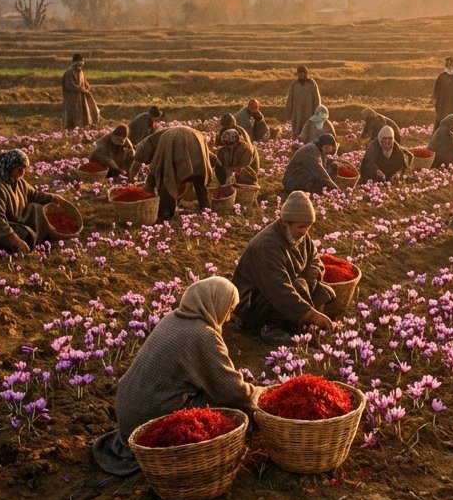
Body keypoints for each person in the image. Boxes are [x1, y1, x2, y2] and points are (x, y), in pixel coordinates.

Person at [91, 276, 262, 476]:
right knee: (223, 401)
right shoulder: (202, 335)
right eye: (229, 309)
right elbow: (231, 391)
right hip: (147, 422)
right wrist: (259, 394)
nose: (229, 317)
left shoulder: (172, 318)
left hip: (127, 414)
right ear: (215, 303)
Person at [232, 191, 336, 341]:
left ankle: (297, 318)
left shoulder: (300, 236)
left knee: (322, 290)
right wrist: (311, 314)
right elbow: (278, 288)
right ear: (285, 223)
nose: (305, 232)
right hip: (255, 301)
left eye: (308, 227)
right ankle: (270, 327)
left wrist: (307, 283)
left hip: (287, 287)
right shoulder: (267, 245)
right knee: (299, 288)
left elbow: (315, 262)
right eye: (300, 227)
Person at [0, 149, 57, 256]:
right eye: (19, 169)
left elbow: (34, 195)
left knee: (36, 209)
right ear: (9, 167)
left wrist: (53, 198)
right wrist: (17, 242)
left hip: (8, 222)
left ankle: (35, 243)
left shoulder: (15, 180)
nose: (22, 173)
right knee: (24, 234)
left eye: (24, 169)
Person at [130, 125, 215, 222]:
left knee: (167, 176)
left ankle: (166, 212)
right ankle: (205, 207)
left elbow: (136, 167)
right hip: (195, 135)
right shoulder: (153, 140)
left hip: (172, 138)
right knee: (198, 173)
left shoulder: (142, 147)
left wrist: (132, 179)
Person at [281, 133, 338, 198]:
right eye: (328, 150)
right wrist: (336, 189)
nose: (327, 154)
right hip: (292, 181)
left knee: (322, 183)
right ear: (326, 147)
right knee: (320, 186)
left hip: (296, 178)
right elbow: (320, 173)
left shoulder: (316, 148)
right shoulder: (311, 151)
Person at [61, 53, 99, 130]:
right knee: (73, 115)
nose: (81, 64)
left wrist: (87, 87)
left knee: (82, 114)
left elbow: (85, 82)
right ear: (75, 62)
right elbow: (69, 85)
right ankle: (72, 130)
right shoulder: (69, 72)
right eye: (80, 62)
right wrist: (81, 89)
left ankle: (80, 129)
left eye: (82, 62)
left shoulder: (81, 72)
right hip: (71, 99)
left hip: (81, 98)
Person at [285, 65, 322, 140]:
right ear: (297, 74)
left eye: (303, 72)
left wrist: (317, 112)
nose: (302, 74)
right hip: (297, 112)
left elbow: (316, 99)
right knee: (297, 129)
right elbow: (289, 99)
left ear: (306, 73)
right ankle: (297, 142)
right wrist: (288, 111)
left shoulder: (312, 83)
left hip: (309, 111)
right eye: (300, 72)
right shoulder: (294, 85)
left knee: (309, 129)